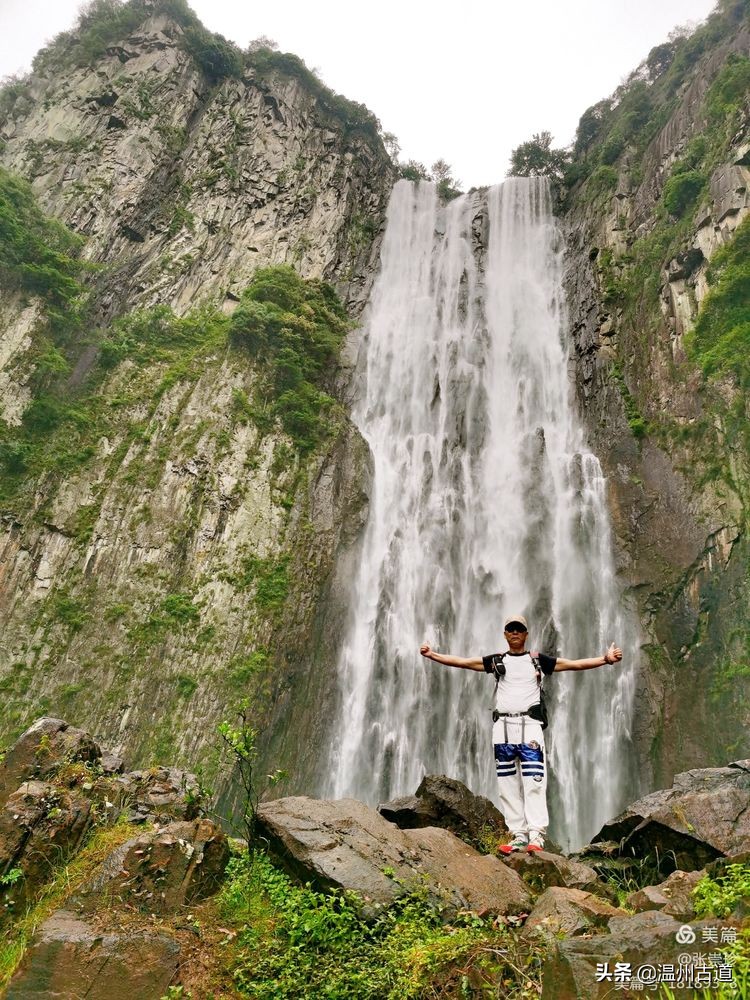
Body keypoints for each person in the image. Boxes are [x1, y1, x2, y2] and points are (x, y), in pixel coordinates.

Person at [419, 615, 623, 854]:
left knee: (534, 782)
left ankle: (536, 837)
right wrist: (433, 655)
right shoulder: (496, 662)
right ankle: (517, 835)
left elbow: (573, 664)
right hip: (503, 728)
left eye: (519, 629)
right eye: (510, 629)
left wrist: (605, 659)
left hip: (530, 726)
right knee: (507, 784)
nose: (515, 632)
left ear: (526, 634)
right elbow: (463, 662)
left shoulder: (538, 661)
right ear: (505, 634)